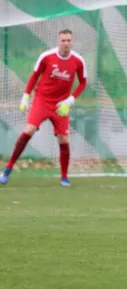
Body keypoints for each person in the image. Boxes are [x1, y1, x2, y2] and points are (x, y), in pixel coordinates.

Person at [0, 29, 87, 187]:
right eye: (63, 40)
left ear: (71, 42)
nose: (66, 43)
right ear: (58, 41)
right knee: (28, 130)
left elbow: (83, 83)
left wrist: (70, 101)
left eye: (69, 40)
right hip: (42, 100)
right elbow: (35, 75)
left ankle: (64, 177)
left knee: (63, 139)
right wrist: (26, 96)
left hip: (61, 105)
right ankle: (8, 169)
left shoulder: (78, 61)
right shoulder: (47, 57)